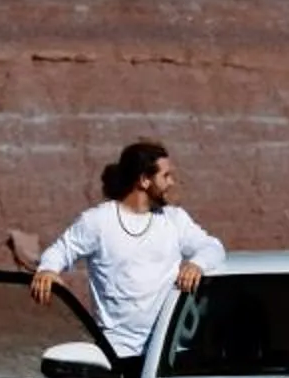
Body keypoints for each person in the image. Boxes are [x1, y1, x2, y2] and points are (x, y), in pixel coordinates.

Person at [30, 140, 225, 358]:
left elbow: (213, 248)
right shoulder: (99, 221)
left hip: (167, 354)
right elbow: (61, 250)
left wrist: (197, 264)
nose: (172, 183)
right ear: (144, 180)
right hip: (117, 355)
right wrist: (48, 270)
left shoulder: (174, 219)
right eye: (166, 176)